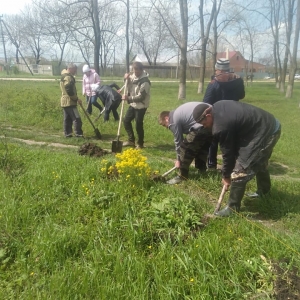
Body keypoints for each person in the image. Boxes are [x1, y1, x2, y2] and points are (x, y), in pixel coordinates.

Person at [193, 100, 281, 217]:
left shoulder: (221, 126)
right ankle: (264, 191)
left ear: (208, 115)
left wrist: (226, 176)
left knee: (241, 170)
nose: (205, 126)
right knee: (259, 160)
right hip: (262, 126)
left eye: (204, 124)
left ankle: (232, 209)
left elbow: (227, 154)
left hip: (267, 131)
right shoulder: (217, 106)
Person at [203, 58, 245, 170]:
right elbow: (242, 95)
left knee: (213, 140)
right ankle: (234, 166)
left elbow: (206, 102)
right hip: (235, 115)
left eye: (216, 70)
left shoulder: (213, 84)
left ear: (218, 70)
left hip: (218, 116)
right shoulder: (238, 81)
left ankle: (212, 164)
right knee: (232, 141)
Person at [158, 102, 213, 185]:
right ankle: (201, 170)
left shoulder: (173, 121)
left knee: (184, 148)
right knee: (201, 146)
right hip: (211, 120)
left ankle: (182, 176)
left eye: (165, 125)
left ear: (166, 118)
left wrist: (178, 160)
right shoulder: (178, 113)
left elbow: (178, 141)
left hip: (202, 122)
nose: (167, 127)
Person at [121, 62, 151, 149]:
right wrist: (125, 79)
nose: (136, 72)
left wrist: (128, 98)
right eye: (134, 70)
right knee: (126, 121)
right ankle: (131, 140)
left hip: (141, 106)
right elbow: (127, 85)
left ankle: (140, 144)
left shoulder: (145, 82)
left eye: (137, 70)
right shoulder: (133, 76)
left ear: (141, 70)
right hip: (133, 104)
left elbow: (141, 97)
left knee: (138, 124)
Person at [60, 63, 84, 138]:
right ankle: (78, 134)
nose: (75, 71)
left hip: (64, 101)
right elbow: (69, 89)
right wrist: (76, 99)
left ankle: (68, 134)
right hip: (69, 101)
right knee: (76, 118)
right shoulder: (68, 77)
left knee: (67, 119)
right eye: (75, 69)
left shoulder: (64, 75)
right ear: (70, 69)